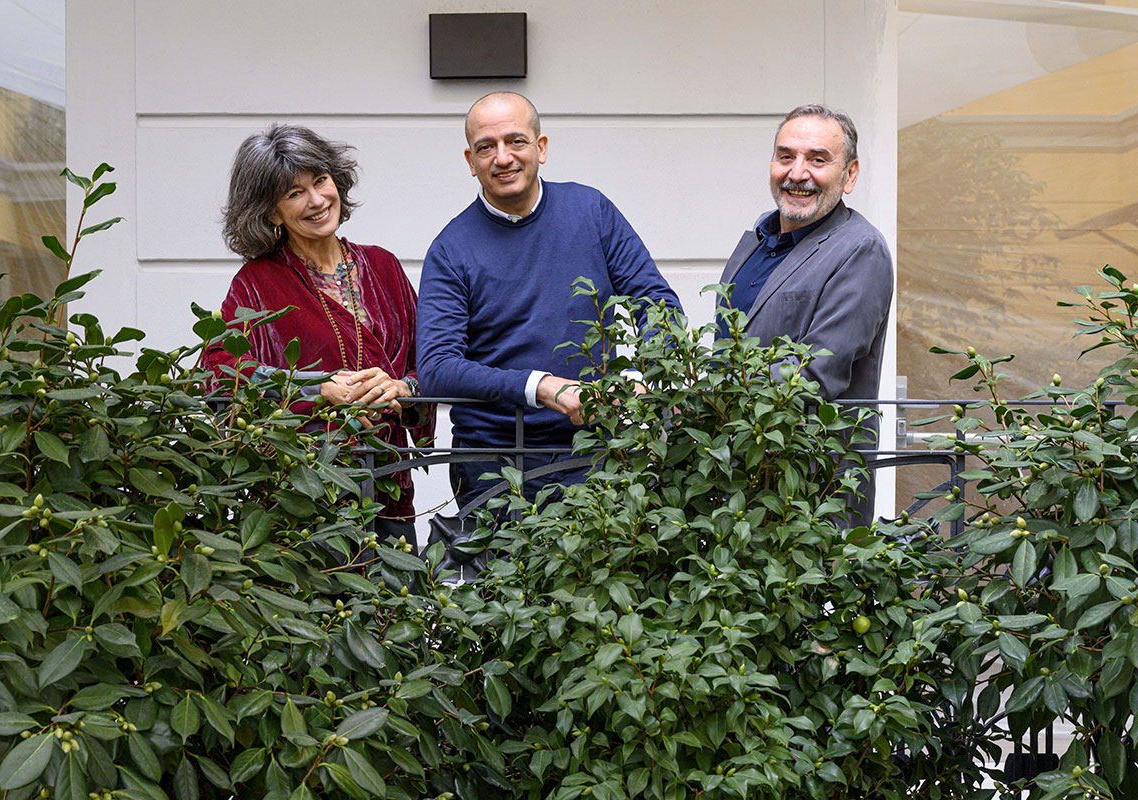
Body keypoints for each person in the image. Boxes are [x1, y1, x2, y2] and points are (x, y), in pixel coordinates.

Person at [417, 92, 682, 510]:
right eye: (486, 147)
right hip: (495, 461)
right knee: (502, 576)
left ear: (541, 148)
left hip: (594, 446)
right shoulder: (451, 249)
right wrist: (540, 387)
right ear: (471, 162)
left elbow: (655, 301)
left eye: (516, 141)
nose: (503, 158)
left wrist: (643, 374)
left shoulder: (591, 211)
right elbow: (436, 368)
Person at [205, 124, 433, 547]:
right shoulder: (257, 283)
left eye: (321, 181)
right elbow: (219, 373)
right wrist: (317, 390)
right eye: (294, 193)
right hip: (307, 495)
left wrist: (403, 388)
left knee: (400, 605)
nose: (316, 200)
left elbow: (432, 363)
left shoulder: (383, 267)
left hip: (388, 486)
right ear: (272, 212)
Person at [717, 104, 893, 521]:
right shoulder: (756, 243)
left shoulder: (860, 249)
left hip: (812, 490)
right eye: (786, 156)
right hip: (739, 480)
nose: (797, 173)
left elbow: (814, 373)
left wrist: (706, 399)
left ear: (849, 175)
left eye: (818, 159)